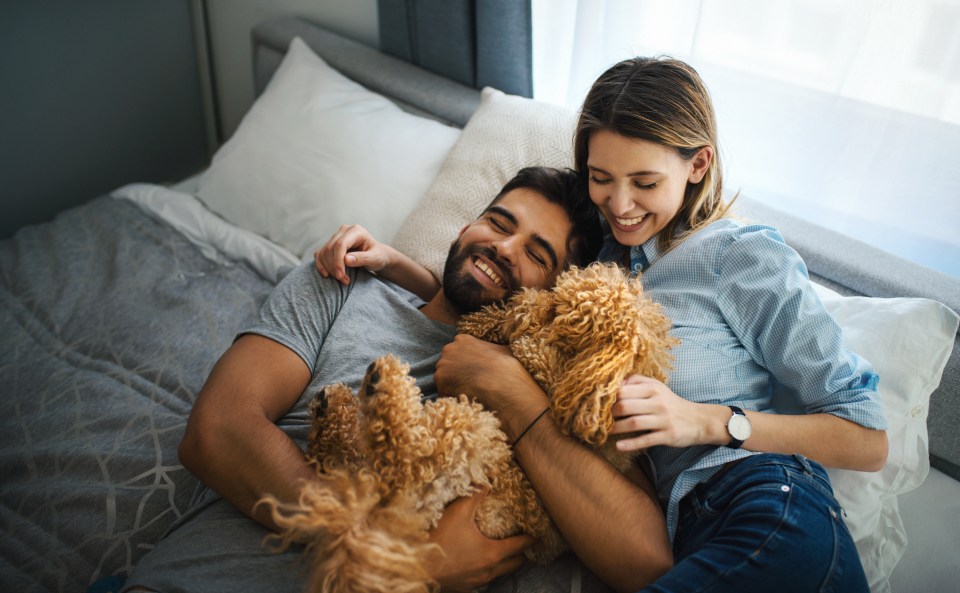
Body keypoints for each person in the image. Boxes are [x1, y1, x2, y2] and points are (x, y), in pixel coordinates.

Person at [322, 57, 889, 593]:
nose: (620, 205)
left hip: (767, 506)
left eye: (645, 183)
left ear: (698, 165)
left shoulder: (740, 257)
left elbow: (865, 436)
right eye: (601, 178)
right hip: (684, 534)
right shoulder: (602, 254)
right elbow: (518, 309)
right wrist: (398, 266)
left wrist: (705, 422)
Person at [121, 166, 611, 593]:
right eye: (498, 224)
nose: (503, 247)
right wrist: (403, 559)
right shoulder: (340, 284)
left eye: (537, 254)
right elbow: (217, 432)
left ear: (553, 297)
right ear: (466, 227)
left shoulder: (533, 401)